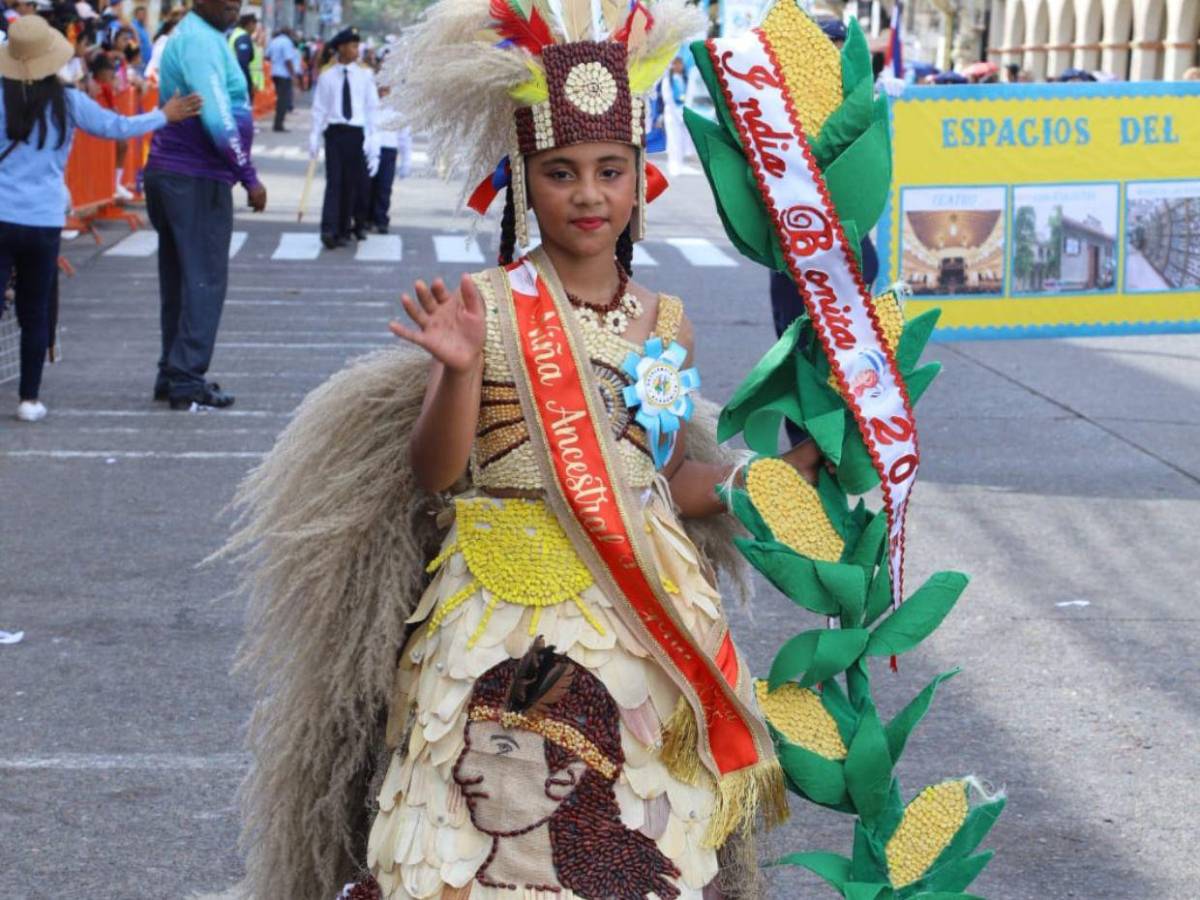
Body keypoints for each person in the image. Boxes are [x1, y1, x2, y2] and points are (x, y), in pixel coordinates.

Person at [229, 2, 834, 897]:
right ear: (523, 180)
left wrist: (769, 483)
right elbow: (435, 473)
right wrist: (458, 371)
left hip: (641, 607)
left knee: (637, 815)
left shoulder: (667, 324)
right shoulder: (486, 303)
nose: (586, 194)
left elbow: (661, 477)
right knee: (466, 831)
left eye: (607, 170)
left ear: (638, 182)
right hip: (500, 596)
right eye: (560, 172)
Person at [0, 14, 199, 421]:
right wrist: (165, 114)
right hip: (44, 220)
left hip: (1, 215)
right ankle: (29, 399)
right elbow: (116, 127)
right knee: (35, 310)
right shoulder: (67, 101)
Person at [144, 0, 266, 410]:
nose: (234, 5)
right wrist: (249, 176)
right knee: (203, 279)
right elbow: (217, 119)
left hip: (181, 175)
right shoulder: (200, 41)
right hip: (193, 176)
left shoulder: (204, 36)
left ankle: (173, 369)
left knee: (181, 277)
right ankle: (186, 377)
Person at [309, 25, 377, 249]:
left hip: (356, 133)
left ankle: (344, 230)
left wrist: (371, 138)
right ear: (341, 47)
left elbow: (371, 108)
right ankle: (329, 230)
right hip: (335, 133)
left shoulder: (365, 75)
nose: (357, 49)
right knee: (334, 182)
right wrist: (314, 136)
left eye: (357, 45)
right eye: (353, 45)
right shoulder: (327, 75)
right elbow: (319, 109)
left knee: (351, 183)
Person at [265, 26, 298, 131]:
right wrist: (293, 74)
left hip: (274, 72)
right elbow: (288, 60)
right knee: (283, 100)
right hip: (284, 74)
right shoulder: (287, 42)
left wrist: (276, 61)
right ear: (289, 34)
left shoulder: (274, 41)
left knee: (279, 98)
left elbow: (267, 56)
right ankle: (278, 124)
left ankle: (277, 123)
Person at [227, 10, 255, 100]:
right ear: (250, 24)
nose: (255, 28)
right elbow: (242, 63)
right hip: (238, 82)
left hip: (229, 78)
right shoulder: (243, 37)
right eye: (255, 24)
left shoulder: (234, 33)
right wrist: (248, 83)